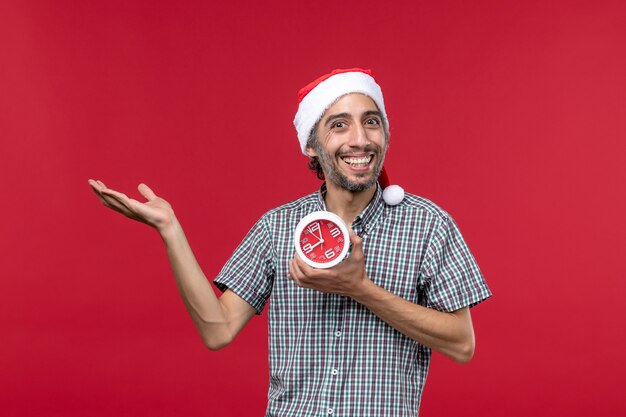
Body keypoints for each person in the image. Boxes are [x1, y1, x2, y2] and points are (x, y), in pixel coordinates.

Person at [89, 68, 491, 416]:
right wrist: (170, 230)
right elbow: (218, 329)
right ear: (312, 146)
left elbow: (462, 344)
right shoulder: (277, 228)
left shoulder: (428, 226)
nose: (359, 139)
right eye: (338, 124)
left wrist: (359, 289)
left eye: (371, 122)